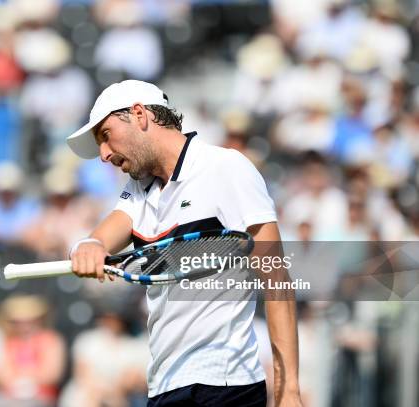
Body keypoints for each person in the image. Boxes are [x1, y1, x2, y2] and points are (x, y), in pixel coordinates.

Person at [66, 80, 302, 406]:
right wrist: (88, 245)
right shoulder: (139, 192)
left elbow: (277, 281)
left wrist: (288, 390)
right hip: (164, 385)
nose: (104, 155)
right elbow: (100, 237)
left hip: (226, 383)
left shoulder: (225, 168)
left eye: (105, 136)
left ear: (139, 114)